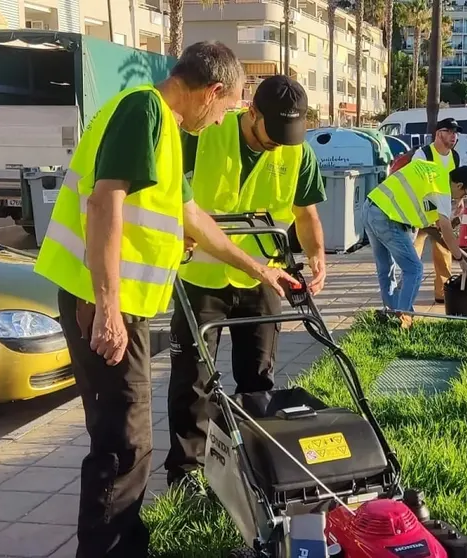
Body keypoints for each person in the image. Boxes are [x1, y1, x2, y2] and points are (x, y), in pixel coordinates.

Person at [33, 42, 298, 558]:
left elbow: (189, 216)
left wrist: (257, 267)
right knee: (124, 443)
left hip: (115, 304)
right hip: (101, 305)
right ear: (212, 92)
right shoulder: (144, 108)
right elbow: (104, 200)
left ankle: (127, 544)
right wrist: (108, 308)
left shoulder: (165, 131)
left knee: (126, 439)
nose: (223, 116)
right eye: (225, 106)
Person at [164, 75, 328, 486]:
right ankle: (187, 472)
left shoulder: (298, 153)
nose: (277, 144)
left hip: (262, 280)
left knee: (258, 377)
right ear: (251, 112)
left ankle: (255, 465)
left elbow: (305, 212)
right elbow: (163, 194)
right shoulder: (203, 135)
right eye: (271, 134)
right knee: (193, 381)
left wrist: (317, 256)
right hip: (201, 279)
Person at [363, 160, 467, 328]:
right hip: (387, 218)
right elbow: (445, 230)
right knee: (414, 269)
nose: (461, 198)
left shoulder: (435, 172)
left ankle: (391, 313)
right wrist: (460, 259)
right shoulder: (443, 189)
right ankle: (404, 319)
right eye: (464, 194)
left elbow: (436, 223)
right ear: (459, 185)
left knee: (385, 269)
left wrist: (446, 221)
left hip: (370, 208)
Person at [411, 118, 467, 303]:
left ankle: (442, 293)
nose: (454, 135)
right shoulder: (423, 154)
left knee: (444, 252)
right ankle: (406, 293)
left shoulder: (455, 157)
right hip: (420, 214)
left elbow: (457, 182)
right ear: (438, 133)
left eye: (455, 132)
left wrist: (460, 199)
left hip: (443, 213)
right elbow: (414, 184)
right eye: (449, 131)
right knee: (413, 254)